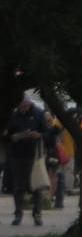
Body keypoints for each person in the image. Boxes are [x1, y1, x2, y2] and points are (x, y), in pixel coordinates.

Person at [6, 95, 49, 227]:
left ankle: (37, 214)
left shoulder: (38, 113)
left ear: (29, 104)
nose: (23, 108)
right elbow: (8, 135)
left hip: (34, 155)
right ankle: (18, 214)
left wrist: (38, 135)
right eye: (21, 106)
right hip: (17, 155)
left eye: (25, 106)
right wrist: (17, 136)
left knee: (36, 186)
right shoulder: (13, 115)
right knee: (18, 187)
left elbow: (47, 132)